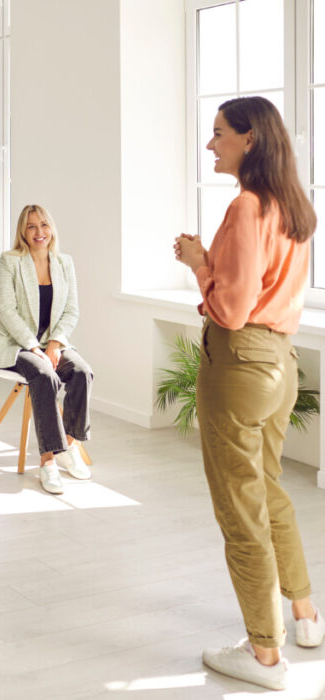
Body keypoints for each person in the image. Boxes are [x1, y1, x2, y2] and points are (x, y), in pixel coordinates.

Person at [175, 96, 324, 691]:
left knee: (240, 508)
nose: (211, 145)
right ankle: (306, 615)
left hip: (239, 364)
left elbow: (232, 310)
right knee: (266, 487)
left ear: (250, 139)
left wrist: (197, 262)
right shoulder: (292, 205)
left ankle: (265, 655)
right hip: (280, 364)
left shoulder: (245, 204)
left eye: (219, 134)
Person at [0, 204, 93, 495]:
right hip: (16, 343)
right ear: (23, 231)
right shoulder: (10, 261)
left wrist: (55, 344)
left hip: (53, 342)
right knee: (44, 375)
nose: (39, 232)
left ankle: (70, 445)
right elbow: (8, 312)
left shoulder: (64, 263)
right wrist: (34, 347)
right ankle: (47, 461)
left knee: (83, 372)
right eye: (32, 226)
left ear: (52, 228)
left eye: (44, 225)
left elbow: (71, 311)